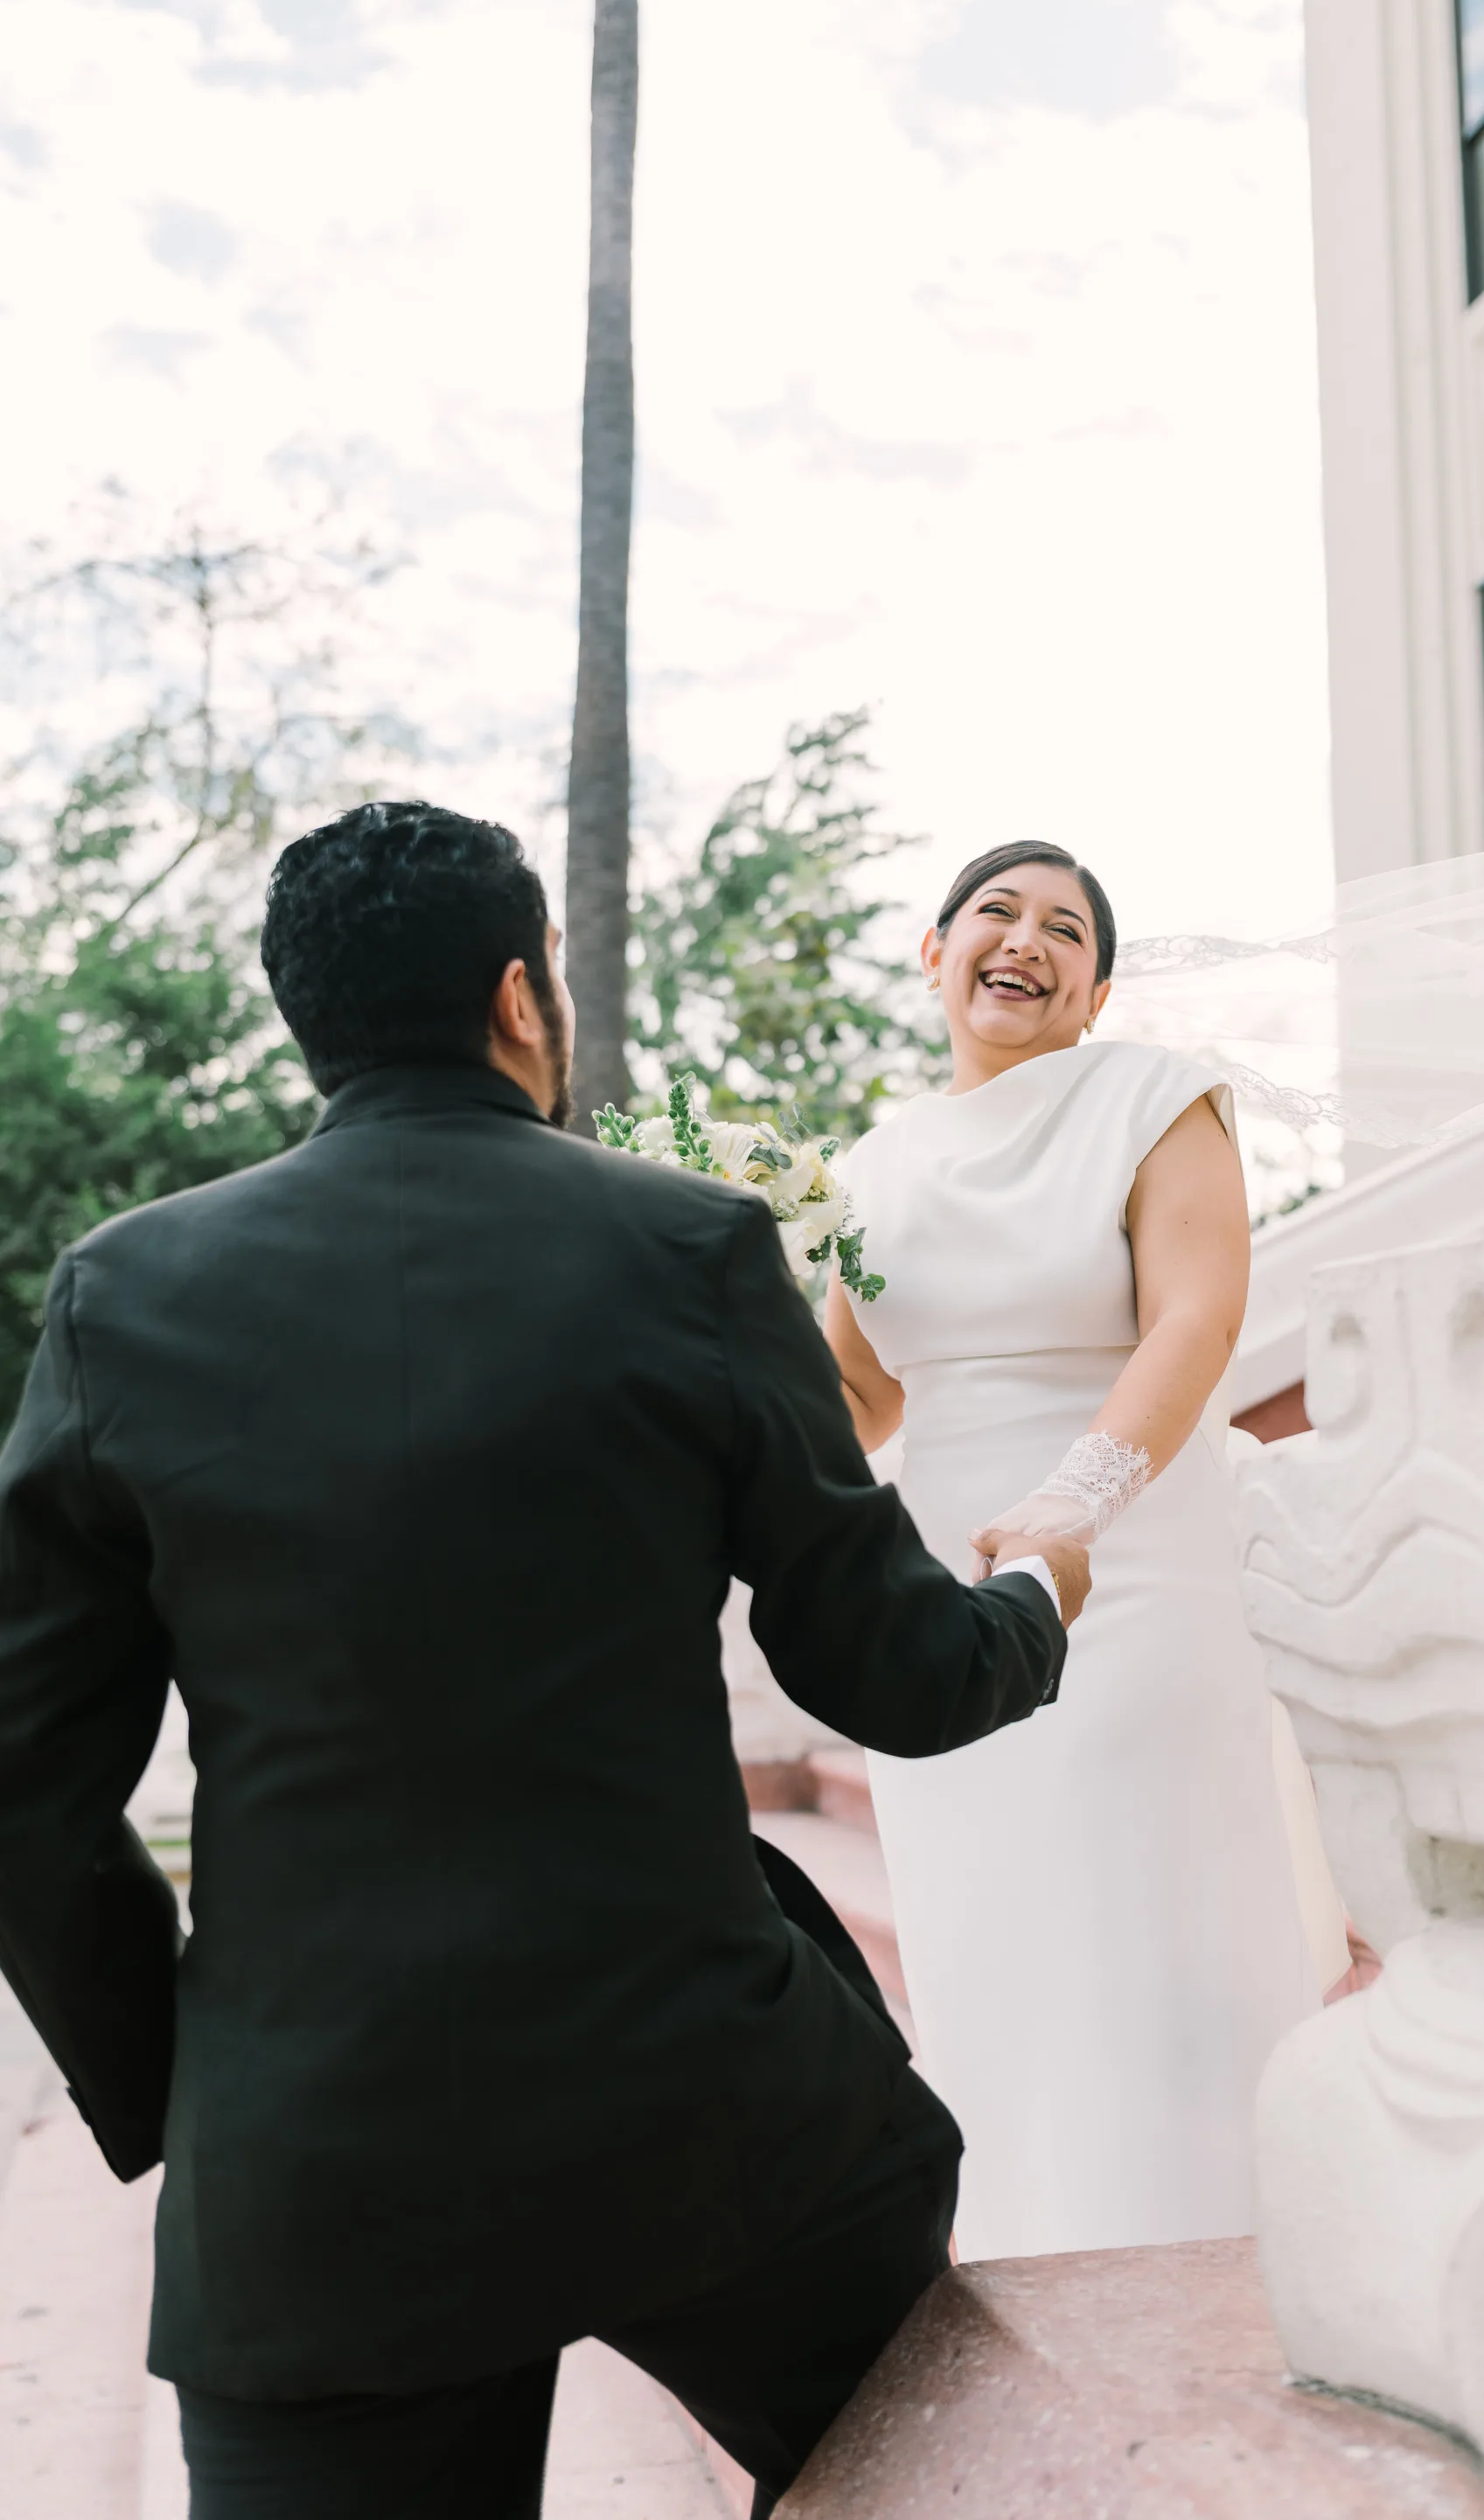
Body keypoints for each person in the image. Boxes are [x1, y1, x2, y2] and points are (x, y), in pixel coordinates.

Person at [0, 801, 1089, 2520]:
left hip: (313, 2172)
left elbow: (25, 1790)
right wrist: (1034, 1600)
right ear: (521, 999)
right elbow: (888, 1670)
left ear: (311, 1016)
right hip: (717, 2131)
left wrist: (192, 2089)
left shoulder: (119, 1296)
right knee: (947, 2458)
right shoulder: (690, 1248)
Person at [826, 839, 1318, 2262]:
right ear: (936, 951)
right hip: (939, 1609)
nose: (1026, 940)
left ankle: (1216, 2259)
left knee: (1142, 1934)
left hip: (1135, 1572)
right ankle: (1032, 2256)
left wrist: (1075, 1500)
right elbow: (861, 1396)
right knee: (997, 1942)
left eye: (1066, 930)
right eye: (996, 911)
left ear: (1094, 991)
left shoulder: (1158, 1099)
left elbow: (1196, 1320)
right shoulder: (869, 1165)